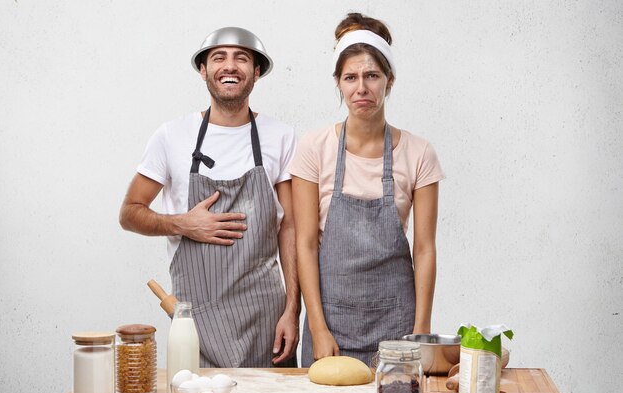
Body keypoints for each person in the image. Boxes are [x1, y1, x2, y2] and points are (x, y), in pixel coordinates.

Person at [119, 27, 299, 367]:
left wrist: (293, 309)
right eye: (219, 58)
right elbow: (129, 213)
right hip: (196, 323)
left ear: (256, 71)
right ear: (203, 70)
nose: (229, 66)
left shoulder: (281, 136)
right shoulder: (172, 135)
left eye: (241, 58)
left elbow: (289, 228)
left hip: (267, 320)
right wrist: (183, 224)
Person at [290, 13, 445, 367]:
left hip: (398, 326)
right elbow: (306, 243)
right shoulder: (314, 148)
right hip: (330, 323)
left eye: (372, 76)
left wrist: (420, 334)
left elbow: (424, 250)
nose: (362, 88)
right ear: (339, 83)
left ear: (389, 81)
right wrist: (318, 326)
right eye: (351, 77)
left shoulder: (419, 153)